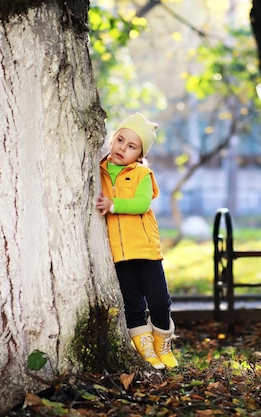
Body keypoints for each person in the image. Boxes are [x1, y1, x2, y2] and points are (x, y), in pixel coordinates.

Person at [96, 113, 178, 370]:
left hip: (145, 249)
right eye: (120, 139)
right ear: (113, 138)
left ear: (139, 154)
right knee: (133, 304)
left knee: (159, 301)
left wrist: (113, 205)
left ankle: (162, 345)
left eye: (131, 146)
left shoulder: (142, 173)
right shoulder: (97, 169)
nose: (122, 148)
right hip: (119, 254)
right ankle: (146, 352)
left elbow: (142, 203)